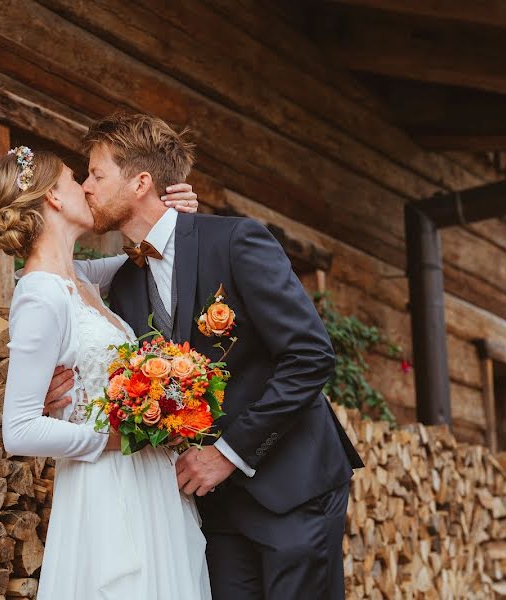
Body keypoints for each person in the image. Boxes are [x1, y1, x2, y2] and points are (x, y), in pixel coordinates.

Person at [42, 113, 364, 599]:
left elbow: (310, 355)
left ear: (140, 182)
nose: (87, 187)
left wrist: (227, 453)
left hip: (291, 485)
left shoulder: (236, 240)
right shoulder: (125, 282)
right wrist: (61, 397)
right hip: (211, 506)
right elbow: (60, 291)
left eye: (96, 174)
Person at [0, 145, 211, 599]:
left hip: (148, 480)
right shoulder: (40, 294)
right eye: (73, 178)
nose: (86, 187)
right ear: (53, 199)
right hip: (105, 483)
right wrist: (116, 438)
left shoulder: (84, 280)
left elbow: (152, 254)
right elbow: (20, 429)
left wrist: (173, 216)